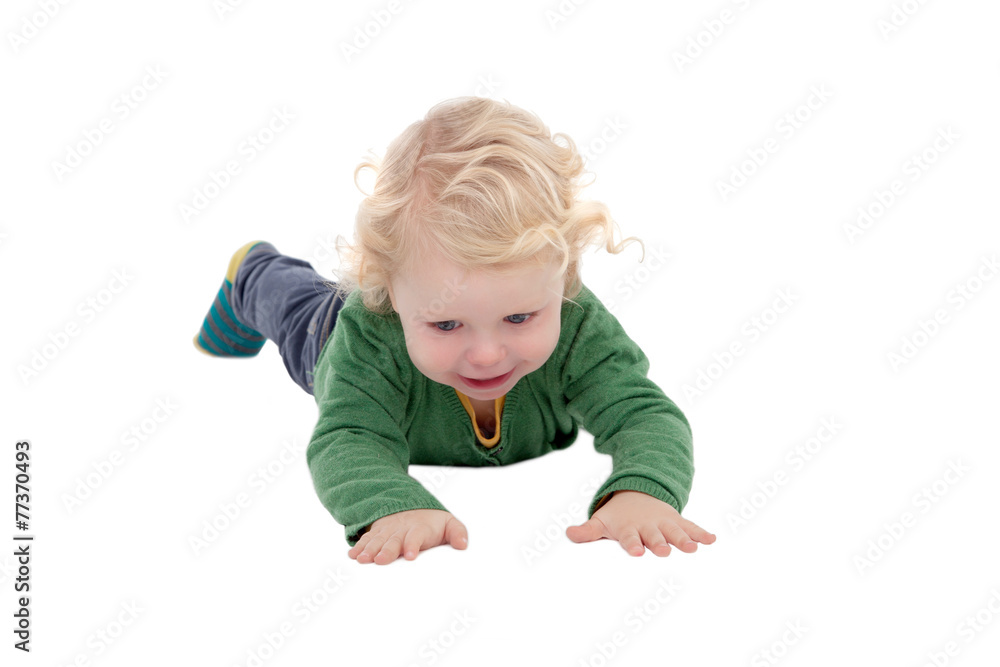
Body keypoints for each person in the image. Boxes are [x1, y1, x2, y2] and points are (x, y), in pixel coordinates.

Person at [193, 96, 716, 565]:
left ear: (565, 278)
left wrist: (643, 490)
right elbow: (349, 438)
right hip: (327, 336)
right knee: (292, 305)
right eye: (446, 323)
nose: (486, 355)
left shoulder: (580, 327)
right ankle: (252, 270)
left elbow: (643, 414)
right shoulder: (367, 341)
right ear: (387, 288)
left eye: (519, 318)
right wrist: (393, 506)